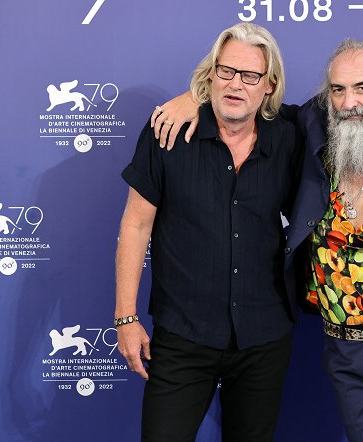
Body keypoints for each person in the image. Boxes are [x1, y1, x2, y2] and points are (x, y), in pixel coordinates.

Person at [152, 38, 363, 442]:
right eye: (338, 89)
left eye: (362, 87)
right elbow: (246, 101)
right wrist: (196, 97)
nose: (349, 103)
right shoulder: (314, 137)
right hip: (347, 353)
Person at [115, 23, 302, 442]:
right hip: (183, 335)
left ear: (269, 86)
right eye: (226, 71)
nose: (236, 84)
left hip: (264, 335)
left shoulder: (290, 136)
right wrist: (126, 317)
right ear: (211, 74)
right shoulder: (167, 132)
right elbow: (135, 224)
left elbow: (342, 111)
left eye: (251, 76)